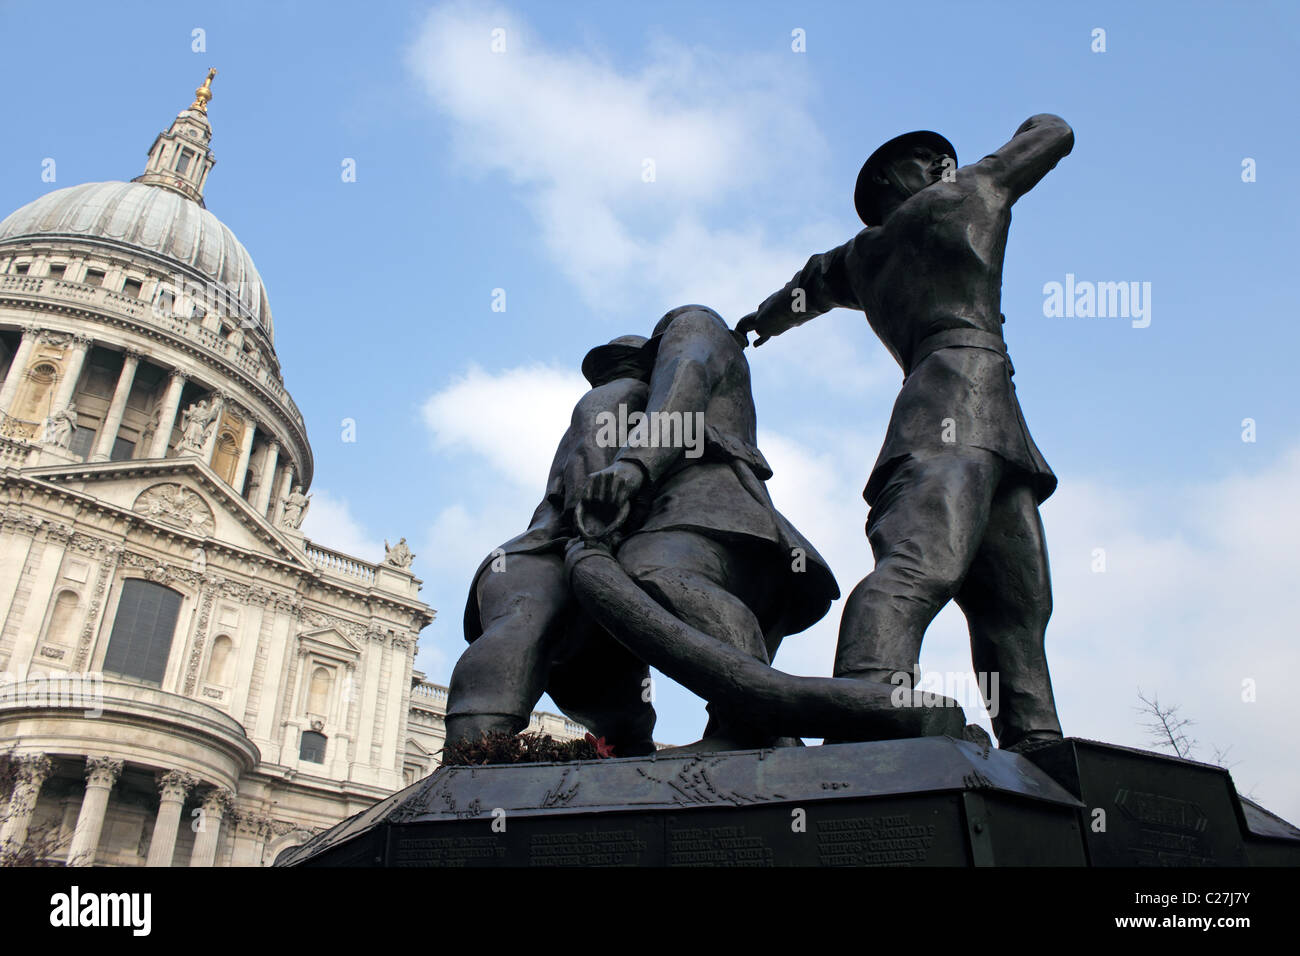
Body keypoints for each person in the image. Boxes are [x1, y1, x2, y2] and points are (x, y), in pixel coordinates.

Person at [735, 116, 1074, 752]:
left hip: (980, 414)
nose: (944, 164)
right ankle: (865, 703)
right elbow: (1054, 133)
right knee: (922, 563)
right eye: (926, 158)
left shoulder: (854, 259)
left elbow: (800, 293)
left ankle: (1037, 743)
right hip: (955, 400)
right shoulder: (969, 192)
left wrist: (761, 323)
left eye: (946, 157)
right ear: (890, 180)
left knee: (1017, 603)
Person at [580, 305, 840, 750]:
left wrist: (631, 467)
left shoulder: (691, 327)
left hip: (713, 511)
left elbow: (685, 382)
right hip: (729, 526)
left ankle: (757, 729)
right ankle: (743, 730)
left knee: (648, 568)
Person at [444, 335, 660, 756]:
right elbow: (589, 461)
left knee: (628, 700)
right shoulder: (624, 395)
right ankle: (466, 760)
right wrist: (596, 533)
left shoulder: (643, 413)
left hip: (578, 552)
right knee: (526, 627)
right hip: (557, 548)